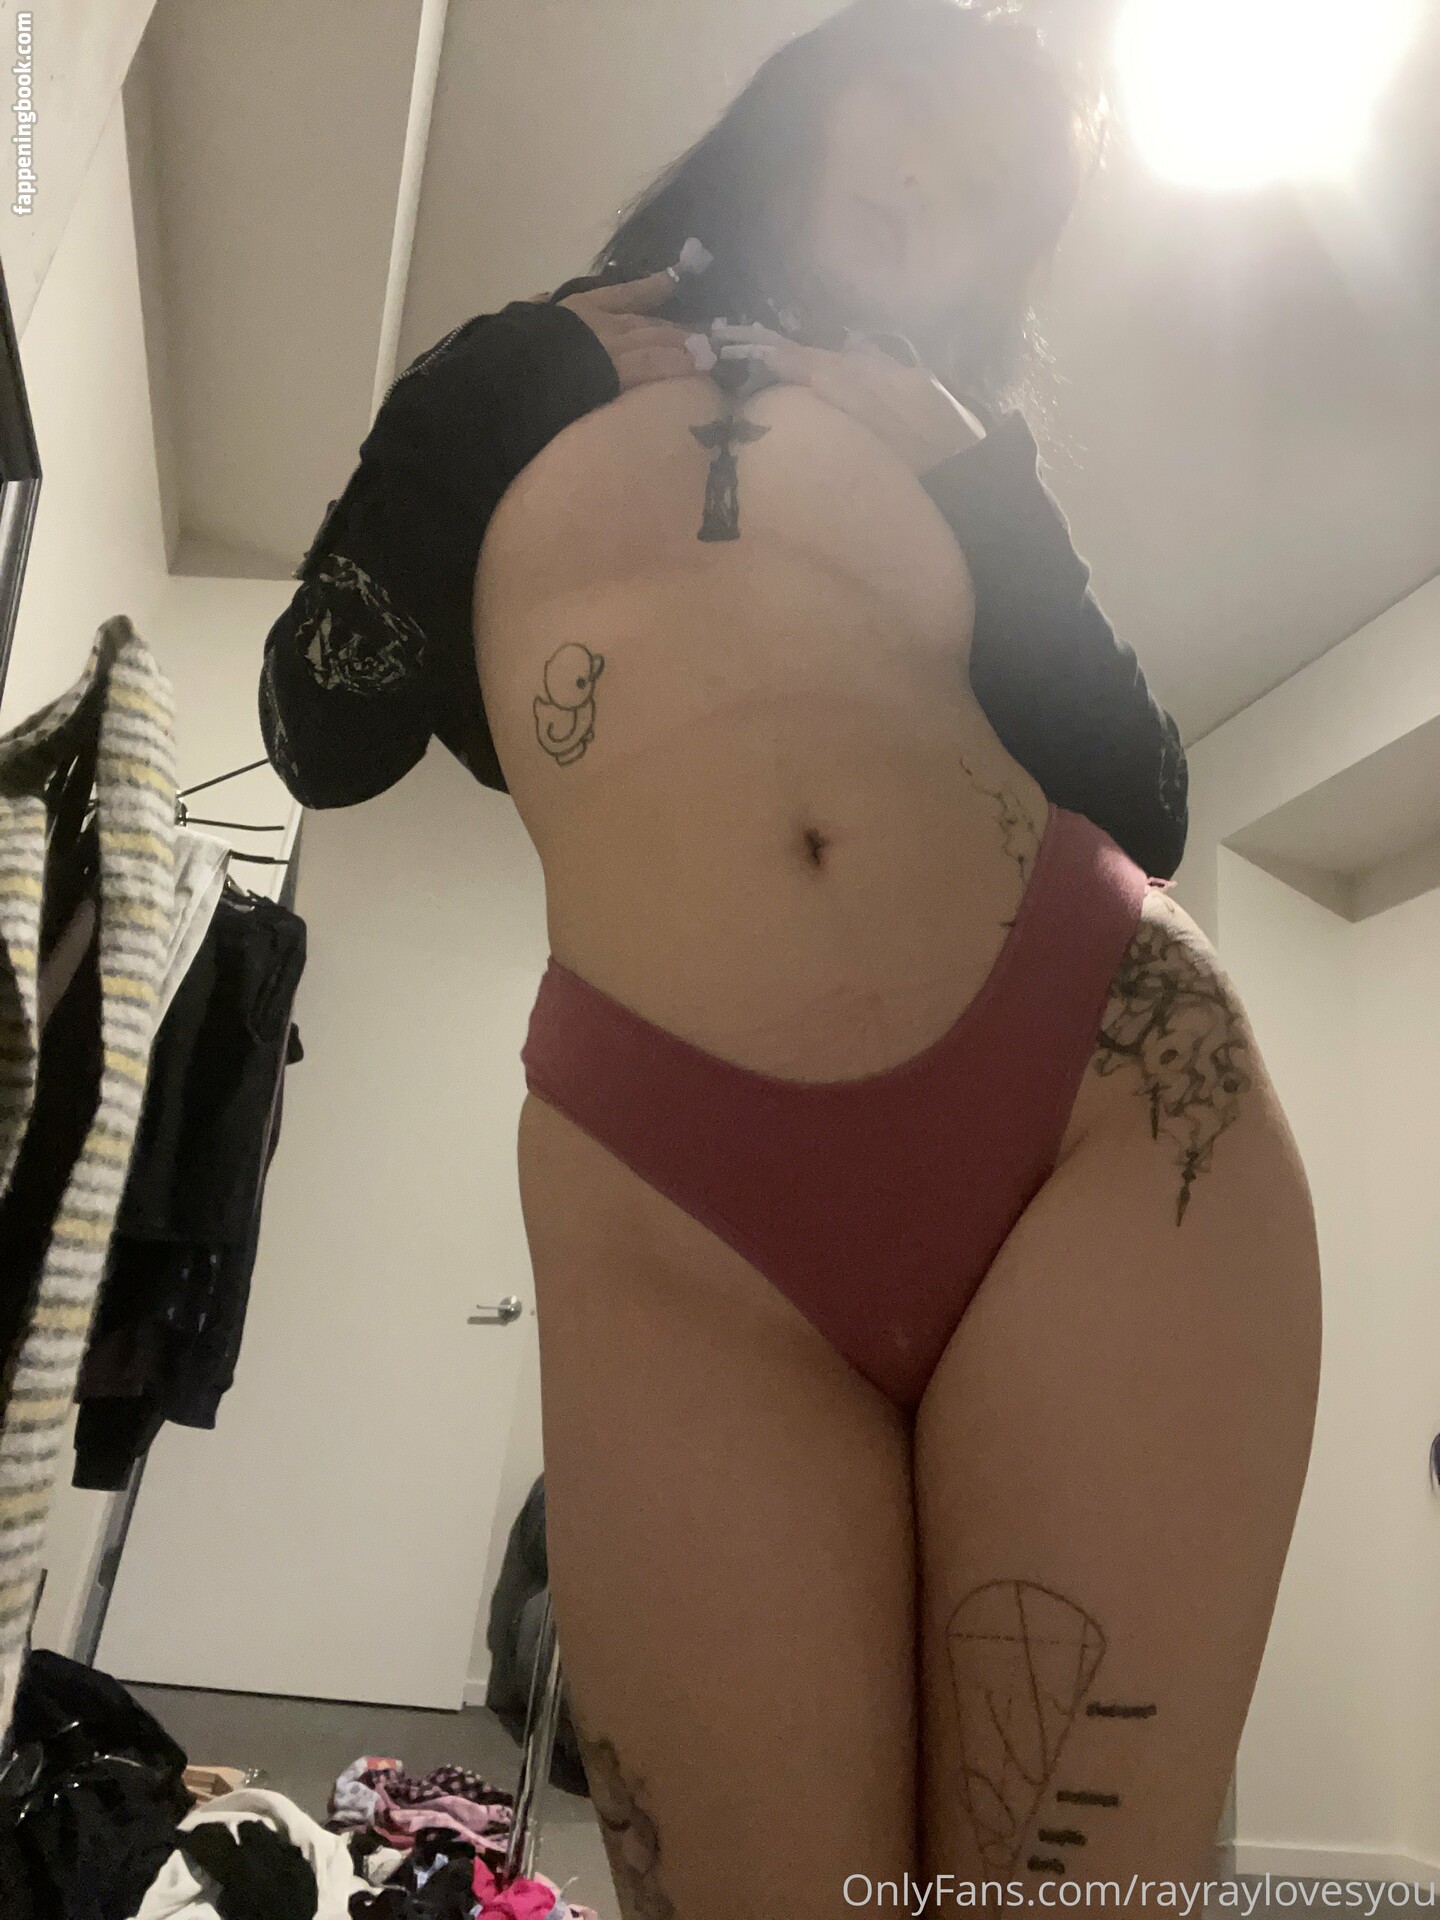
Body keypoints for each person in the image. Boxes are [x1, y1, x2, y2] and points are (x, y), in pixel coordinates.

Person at [260, 2, 1322, 1911]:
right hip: (676, 1196)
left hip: (1098, 1110)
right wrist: (503, 387)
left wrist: (980, 479)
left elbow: (1147, 797)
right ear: (811, 100)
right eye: (923, 115)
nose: (941, 182)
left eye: (998, 188)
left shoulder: (938, 429)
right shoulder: (526, 371)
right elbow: (319, 732)